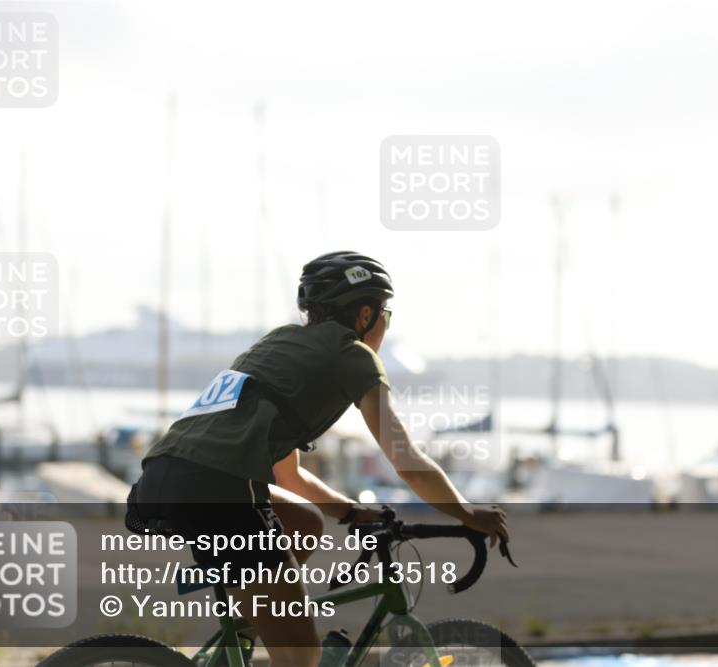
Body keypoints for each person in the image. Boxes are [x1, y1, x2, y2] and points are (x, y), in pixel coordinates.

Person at [134, 251, 509, 667]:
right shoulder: (353, 355)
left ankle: (234, 644)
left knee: (304, 522)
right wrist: (468, 513)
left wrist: (350, 513)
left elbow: (289, 476)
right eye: (386, 312)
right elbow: (407, 460)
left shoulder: (281, 344)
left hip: (161, 477)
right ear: (366, 314)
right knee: (303, 656)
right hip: (219, 487)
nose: (385, 321)